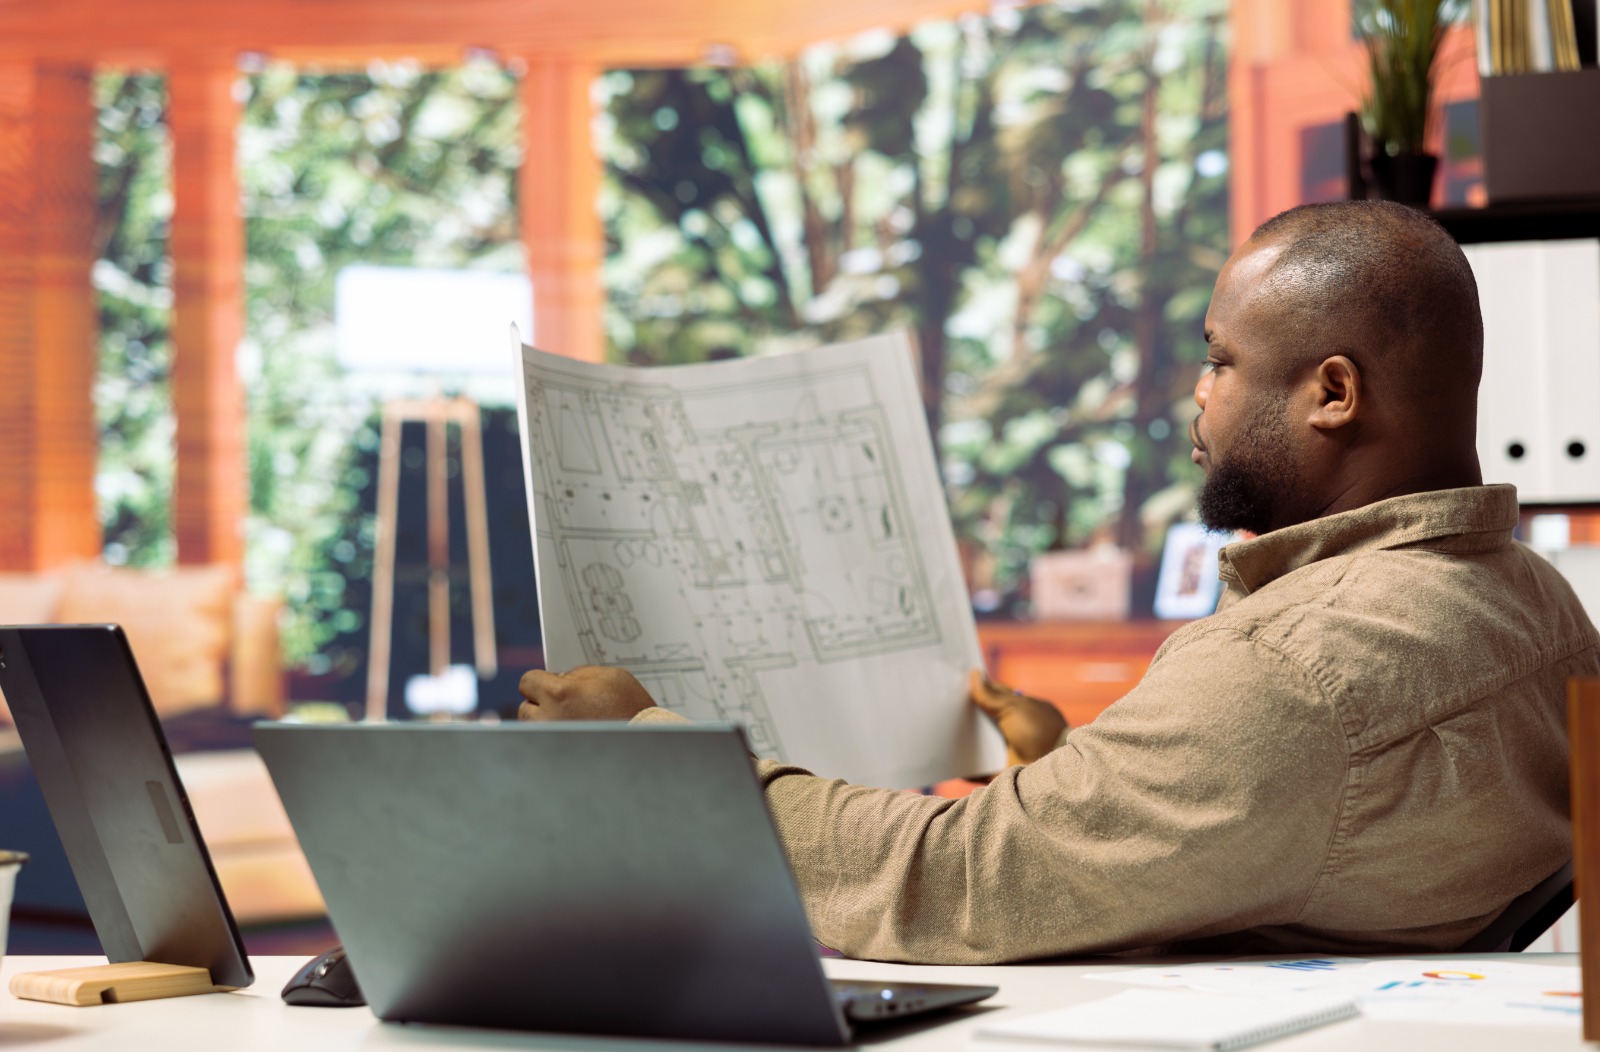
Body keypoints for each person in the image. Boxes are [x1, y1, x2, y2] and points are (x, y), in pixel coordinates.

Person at [517, 201, 1600, 963]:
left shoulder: (1293, 667)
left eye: (1221, 362)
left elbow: (947, 883)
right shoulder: (1538, 604)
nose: (1198, 400)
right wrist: (1083, 768)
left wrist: (654, 748)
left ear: (1331, 392)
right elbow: (1305, 824)